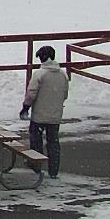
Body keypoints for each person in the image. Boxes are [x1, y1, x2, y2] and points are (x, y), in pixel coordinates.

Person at [22, 46, 68, 179]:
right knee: (53, 142)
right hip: (55, 115)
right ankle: (53, 169)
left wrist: (26, 107)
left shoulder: (39, 74)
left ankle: (36, 165)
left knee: (36, 140)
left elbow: (31, 93)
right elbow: (65, 94)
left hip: (39, 116)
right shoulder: (62, 74)